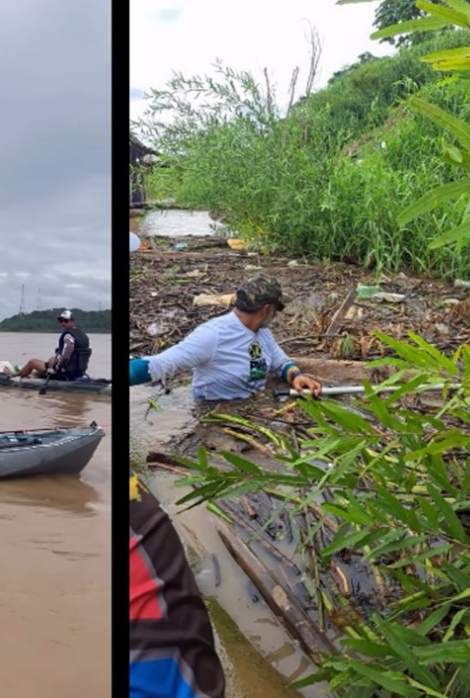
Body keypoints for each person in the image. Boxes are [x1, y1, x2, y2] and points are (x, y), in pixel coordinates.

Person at [128, 230, 228, 697]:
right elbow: (166, 363)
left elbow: (277, 360)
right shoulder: (211, 335)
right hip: (212, 416)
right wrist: (131, 373)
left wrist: (292, 372)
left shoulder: (261, 338)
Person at [129, 275, 323, 400]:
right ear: (266, 310)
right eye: (276, 309)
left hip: (252, 405)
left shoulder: (263, 333)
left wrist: (297, 376)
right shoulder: (213, 335)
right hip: (215, 411)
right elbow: (158, 365)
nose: (277, 315)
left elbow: (281, 363)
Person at [13, 310, 92, 380]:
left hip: (65, 372)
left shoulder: (68, 337)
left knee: (32, 362)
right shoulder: (83, 336)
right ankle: (33, 375)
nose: (63, 323)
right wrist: (54, 360)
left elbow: (65, 357)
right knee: (50, 360)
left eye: (66, 321)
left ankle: (14, 376)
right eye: (61, 321)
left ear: (73, 321)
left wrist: (55, 368)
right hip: (77, 371)